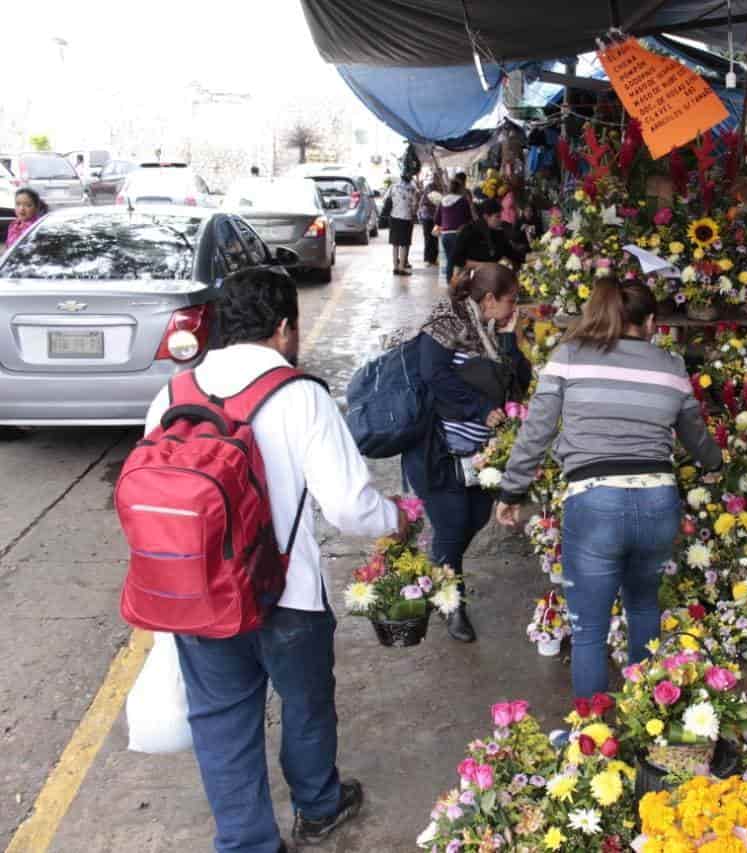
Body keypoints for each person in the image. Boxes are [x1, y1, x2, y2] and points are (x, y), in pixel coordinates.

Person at [143, 269, 407, 853]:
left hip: (201, 595)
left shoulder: (173, 394)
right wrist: (398, 518)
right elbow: (349, 507)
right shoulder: (299, 394)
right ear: (284, 327)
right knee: (307, 703)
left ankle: (246, 841)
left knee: (221, 721)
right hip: (286, 595)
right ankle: (317, 807)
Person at [495, 278, 722, 698]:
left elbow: (537, 431)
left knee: (589, 633)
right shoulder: (671, 366)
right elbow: (696, 435)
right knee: (644, 608)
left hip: (594, 503)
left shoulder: (569, 357)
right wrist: (714, 464)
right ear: (650, 321)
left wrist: (512, 491)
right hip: (658, 502)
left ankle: (592, 745)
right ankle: (647, 723)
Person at [403, 263, 530, 643]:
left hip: (479, 456)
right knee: (453, 524)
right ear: (489, 299)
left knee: (474, 518)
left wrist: (509, 338)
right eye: (512, 300)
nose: (515, 307)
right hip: (439, 452)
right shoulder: (444, 325)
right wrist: (478, 409)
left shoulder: (491, 330)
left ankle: (441, 571)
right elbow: (434, 377)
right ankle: (449, 601)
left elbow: (518, 381)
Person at [448, 198, 525, 274]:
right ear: (486, 216)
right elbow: (456, 259)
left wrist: (527, 258)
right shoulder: (469, 231)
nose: (500, 220)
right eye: (497, 217)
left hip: (492, 276)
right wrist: (483, 265)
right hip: (472, 278)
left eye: (500, 216)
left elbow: (510, 252)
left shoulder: (498, 233)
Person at [436, 174, 475, 282]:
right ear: (460, 189)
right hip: (458, 234)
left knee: (450, 260)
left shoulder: (442, 201)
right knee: (461, 261)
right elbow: (469, 218)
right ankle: (458, 285)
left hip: (445, 235)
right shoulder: (462, 201)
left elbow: (437, 220)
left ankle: (450, 285)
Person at [388, 171, 418, 276]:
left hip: (394, 217)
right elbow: (414, 205)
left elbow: (386, 200)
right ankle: (401, 268)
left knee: (395, 243)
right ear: (409, 178)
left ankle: (395, 267)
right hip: (406, 218)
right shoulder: (412, 189)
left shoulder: (393, 186)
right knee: (404, 244)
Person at [417, 175, 443, 266]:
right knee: (428, 238)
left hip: (436, 217)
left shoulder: (442, 187)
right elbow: (430, 199)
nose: (438, 179)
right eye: (437, 178)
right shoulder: (430, 187)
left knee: (435, 237)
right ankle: (428, 259)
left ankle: (433, 259)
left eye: (439, 177)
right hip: (427, 216)